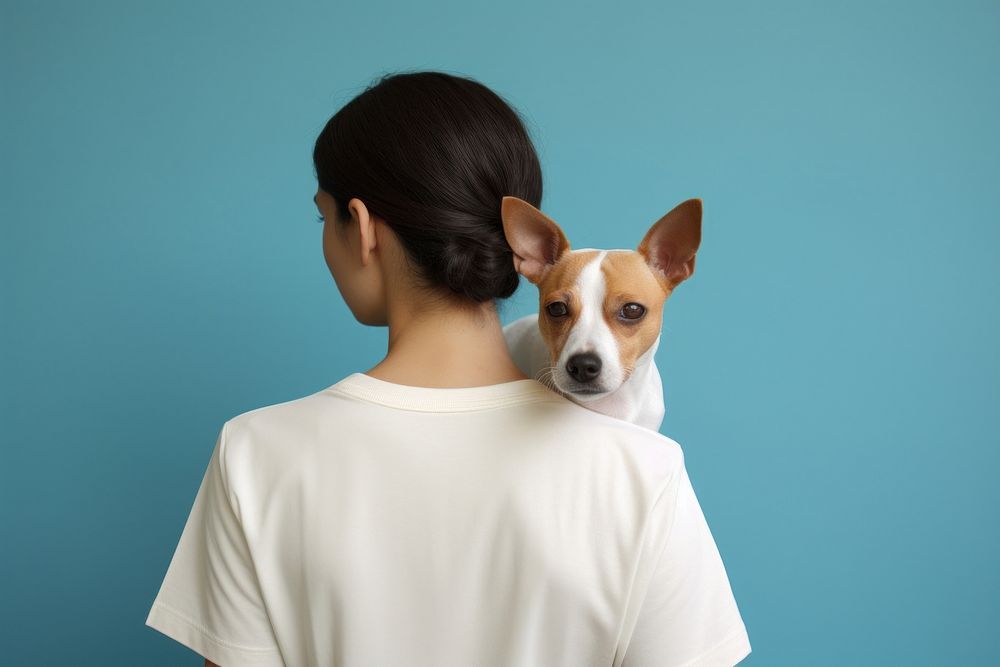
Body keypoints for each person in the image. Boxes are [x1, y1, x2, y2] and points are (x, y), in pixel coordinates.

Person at [144, 69, 752, 667]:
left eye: (322, 218)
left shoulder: (253, 453)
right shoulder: (643, 469)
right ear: (519, 242)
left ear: (361, 227)